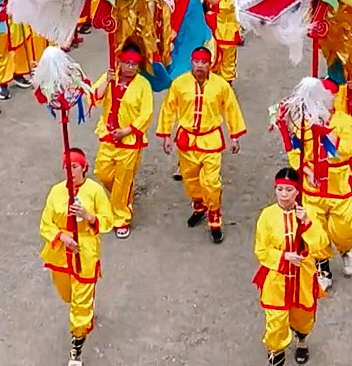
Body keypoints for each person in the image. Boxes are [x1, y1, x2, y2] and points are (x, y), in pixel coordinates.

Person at [155, 44, 246, 243]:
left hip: (211, 139)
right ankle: (199, 205)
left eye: (204, 62)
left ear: (210, 64)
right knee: (190, 178)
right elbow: (168, 109)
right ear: (191, 62)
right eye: (197, 61)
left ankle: (214, 214)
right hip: (187, 140)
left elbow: (231, 109)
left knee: (212, 182)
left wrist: (235, 136)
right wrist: (165, 136)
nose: (200, 66)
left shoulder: (221, 85)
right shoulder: (179, 84)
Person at [39, 146, 115, 366]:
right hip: (60, 254)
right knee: (68, 296)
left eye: (74, 166)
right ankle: (84, 310)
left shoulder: (95, 191)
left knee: (79, 306)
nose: (70, 171)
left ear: (84, 168)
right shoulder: (56, 191)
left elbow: (107, 220)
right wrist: (62, 237)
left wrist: (88, 216)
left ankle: (76, 346)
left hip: (85, 252)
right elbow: (45, 224)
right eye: (66, 167)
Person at [253, 167, 330, 366]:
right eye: (280, 189)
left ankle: (302, 340)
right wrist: (283, 256)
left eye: (288, 190)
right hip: (277, 277)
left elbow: (321, 245)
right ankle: (276, 353)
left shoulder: (309, 211)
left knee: (303, 317)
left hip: (303, 275)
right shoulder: (267, 215)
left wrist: (306, 223)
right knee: (276, 321)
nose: (284, 194)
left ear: (297, 191)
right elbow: (261, 250)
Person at [288, 80, 352, 287]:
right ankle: (323, 267)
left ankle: (345, 249)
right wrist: (307, 171)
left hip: (339, 188)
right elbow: (295, 153)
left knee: (343, 230)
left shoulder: (345, 121)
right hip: (313, 189)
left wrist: (325, 129)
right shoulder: (304, 123)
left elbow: (345, 151)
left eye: (330, 97)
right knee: (314, 231)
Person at [91, 42, 154, 238]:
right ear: (119, 61)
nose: (130, 68)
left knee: (124, 180)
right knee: (103, 173)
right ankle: (122, 197)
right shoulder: (109, 76)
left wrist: (127, 130)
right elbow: (93, 97)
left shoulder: (143, 85)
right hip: (108, 135)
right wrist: (105, 82)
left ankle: (121, 217)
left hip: (129, 140)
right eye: (126, 63)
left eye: (134, 64)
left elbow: (146, 113)